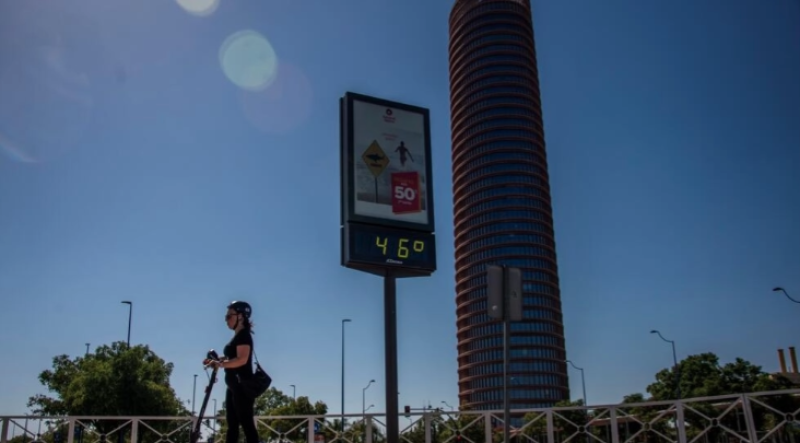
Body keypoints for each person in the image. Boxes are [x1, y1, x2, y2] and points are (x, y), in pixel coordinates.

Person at [204, 301, 259, 443]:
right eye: (225, 317)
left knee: (247, 425)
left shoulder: (244, 336)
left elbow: (241, 360)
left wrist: (220, 363)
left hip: (242, 387)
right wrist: (216, 361)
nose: (226, 320)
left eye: (229, 316)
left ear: (240, 316)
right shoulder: (237, 336)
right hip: (234, 387)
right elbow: (232, 358)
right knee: (232, 426)